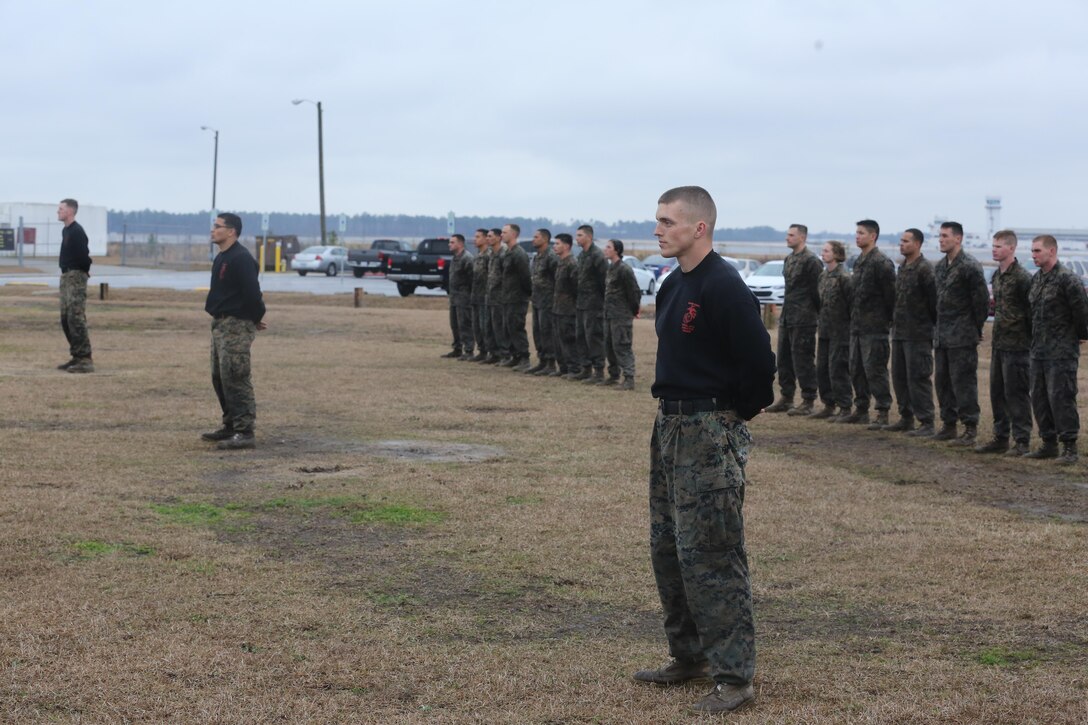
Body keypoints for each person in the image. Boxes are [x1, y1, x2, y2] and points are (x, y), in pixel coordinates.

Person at [635, 186, 774, 715]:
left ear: (699, 228)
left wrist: (731, 416)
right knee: (669, 547)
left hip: (708, 429)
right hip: (669, 427)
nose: (658, 230)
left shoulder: (724, 286)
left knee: (712, 553)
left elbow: (760, 368)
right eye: (657, 221)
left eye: (667, 222)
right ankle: (687, 655)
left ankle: (735, 676)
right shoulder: (673, 284)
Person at [202, 213, 266, 450]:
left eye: (217, 227)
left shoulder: (241, 258)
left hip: (236, 324)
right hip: (220, 324)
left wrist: (256, 317)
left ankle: (244, 431)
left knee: (236, 376)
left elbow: (252, 293)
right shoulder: (222, 257)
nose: (213, 230)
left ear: (231, 232)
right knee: (220, 377)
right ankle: (230, 425)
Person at [1025, 234, 1088, 464]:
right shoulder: (1037, 279)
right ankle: (1048, 443)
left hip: (1061, 351)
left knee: (1061, 397)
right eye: (1032, 251)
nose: (1033, 255)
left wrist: (1080, 336)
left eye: (1037, 251)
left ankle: (1069, 447)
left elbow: (1081, 313)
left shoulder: (1067, 279)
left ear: (1052, 251)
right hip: (1038, 350)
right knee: (1039, 398)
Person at [932, 222, 989, 446]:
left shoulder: (970, 266)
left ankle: (970, 427)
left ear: (958, 239)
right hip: (942, 335)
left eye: (945, 236)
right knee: (943, 382)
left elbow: (981, 302)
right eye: (940, 236)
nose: (941, 240)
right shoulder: (940, 267)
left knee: (963, 382)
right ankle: (949, 424)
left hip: (962, 335)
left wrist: (975, 327)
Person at [976, 230, 1033, 455]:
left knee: (1016, 393)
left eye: (999, 246)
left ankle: (1022, 440)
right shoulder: (997, 276)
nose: (994, 249)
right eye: (993, 245)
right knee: (997, 392)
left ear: (1011, 248)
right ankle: (1001, 437)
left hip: (1018, 345)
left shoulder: (1022, 278)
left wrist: (1028, 338)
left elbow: (1031, 312)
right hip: (1000, 343)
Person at [840, 220, 895, 426]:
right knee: (857, 369)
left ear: (873, 236)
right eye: (856, 232)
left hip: (875, 327)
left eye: (861, 233)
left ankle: (882, 411)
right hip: (857, 326)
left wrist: (886, 321)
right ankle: (861, 408)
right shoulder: (859, 261)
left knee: (875, 370)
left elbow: (891, 296)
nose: (857, 236)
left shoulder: (881, 262)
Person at [766, 224, 822, 416]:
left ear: (802, 237)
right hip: (788, 317)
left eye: (791, 235)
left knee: (803, 360)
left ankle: (808, 400)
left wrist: (815, 313)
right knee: (783, 359)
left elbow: (817, 292)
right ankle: (786, 397)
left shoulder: (811, 261)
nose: (787, 238)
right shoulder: (789, 259)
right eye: (787, 234)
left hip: (804, 318)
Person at [887, 228, 937, 435]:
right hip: (899, 333)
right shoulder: (902, 267)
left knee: (918, 377)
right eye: (901, 241)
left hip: (918, 334)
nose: (902, 244)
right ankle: (906, 417)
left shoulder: (925, 269)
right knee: (899, 377)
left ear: (917, 244)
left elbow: (934, 302)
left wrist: (928, 326)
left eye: (906, 241)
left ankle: (926, 421)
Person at [813, 241, 853, 419]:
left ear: (837, 254)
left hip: (841, 331)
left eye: (827, 251)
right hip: (825, 330)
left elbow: (851, 304)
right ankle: (829, 404)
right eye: (823, 250)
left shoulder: (844, 277)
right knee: (822, 368)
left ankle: (844, 406)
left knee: (838, 369)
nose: (824, 253)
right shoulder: (823, 276)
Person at [56, 198, 94, 373]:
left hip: (75, 276)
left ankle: (85, 359)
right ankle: (76, 356)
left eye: (61, 208)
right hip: (66, 275)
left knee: (76, 317)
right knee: (66, 318)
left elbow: (84, 256)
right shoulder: (66, 231)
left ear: (70, 211)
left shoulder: (77, 231)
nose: (58, 211)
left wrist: (82, 273)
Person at [600, 239, 641, 390]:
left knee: (622, 345)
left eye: (608, 247)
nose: (605, 249)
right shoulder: (611, 268)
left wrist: (634, 310)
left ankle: (629, 378)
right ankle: (613, 375)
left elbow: (634, 291)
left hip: (621, 315)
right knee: (609, 345)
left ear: (616, 250)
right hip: (609, 314)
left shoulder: (624, 269)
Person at [573, 224, 608, 382]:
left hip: (594, 305)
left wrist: (601, 302)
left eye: (580, 235)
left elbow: (603, 282)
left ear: (589, 237)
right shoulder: (582, 255)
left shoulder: (597, 256)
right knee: (580, 337)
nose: (577, 238)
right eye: (577, 235)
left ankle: (599, 371)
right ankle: (585, 368)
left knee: (593, 337)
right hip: (581, 303)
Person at [499, 224, 532, 370]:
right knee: (508, 328)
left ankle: (524, 358)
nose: (502, 235)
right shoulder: (508, 253)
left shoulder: (519, 254)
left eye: (505, 232)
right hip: (507, 297)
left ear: (514, 235)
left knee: (517, 327)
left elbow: (525, 277)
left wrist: (525, 294)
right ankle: (515, 356)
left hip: (517, 298)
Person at [526, 228, 558, 375]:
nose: (533, 239)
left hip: (548, 301)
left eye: (536, 237)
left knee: (547, 332)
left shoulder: (552, 256)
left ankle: (551, 363)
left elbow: (557, 279)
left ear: (545, 239)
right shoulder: (536, 257)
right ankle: (542, 360)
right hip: (537, 300)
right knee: (537, 332)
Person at [552, 234, 580, 378]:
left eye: (557, 244)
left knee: (569, 340)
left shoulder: (572, 263)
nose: (554, 246)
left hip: (568, 310)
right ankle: (563, 367)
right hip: (558, 308)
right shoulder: (560, 262)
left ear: (567, 246)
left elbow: (576, 288)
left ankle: (574, 368)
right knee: (558, 340)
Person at [444, 233, 474, 359]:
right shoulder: (455, 258)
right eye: (449, 242)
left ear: (460, 243)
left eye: (452, 242)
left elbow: (472, 279)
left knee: (465, 324)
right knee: (455, 324)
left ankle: (468, 350)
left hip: (464, 298)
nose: (449, 244)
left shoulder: (467, 258)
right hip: (454, 298)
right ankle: (457, 348)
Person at [481, 229, 508, 364]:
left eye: (490, 236)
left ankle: (504, 355)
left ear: (498, 238)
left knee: (499, 327)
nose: (488, 239)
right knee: (489, 327)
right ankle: (494, 353)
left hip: (500, 297)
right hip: (490, 296)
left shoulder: (504, 254)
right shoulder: (491, 254)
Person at [468, 229, 492, 362]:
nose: (474, 239)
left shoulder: (489, 255)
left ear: (485, 239)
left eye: (477, 237)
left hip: (485, 296)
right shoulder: (477, 255)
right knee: (476, 326)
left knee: (485, 326)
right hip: (476, 295)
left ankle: (490, 351)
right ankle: (482, 351)